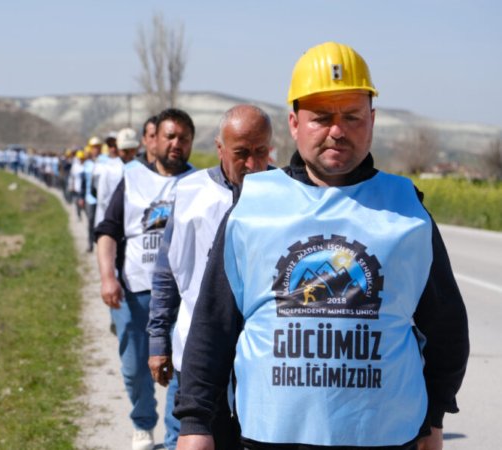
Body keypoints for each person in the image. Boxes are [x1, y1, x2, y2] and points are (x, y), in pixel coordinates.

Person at [175, 42, 470, 450]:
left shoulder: (407, 209)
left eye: (351, 116)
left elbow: (446, 327)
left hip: (385, 437)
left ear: (372, 120)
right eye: (322, 118)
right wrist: (195, 422)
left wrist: (435, 416)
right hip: (270, 436)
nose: (337, 130)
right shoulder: (253, 206)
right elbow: (213, 323)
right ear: (295, 124)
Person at [148, 105, 273, 450]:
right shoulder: (190, 194)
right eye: (241, 154)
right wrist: (159, 341)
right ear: (220, 148)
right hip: (198, 358)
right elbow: (167, 275)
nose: (252, 164)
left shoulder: (286, 197)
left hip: (266, 364)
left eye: (261, 152)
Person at [95, 108, 196, 450]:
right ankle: (142, 422)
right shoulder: (132, 177)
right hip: (136, 292)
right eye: (170, 136)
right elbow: (107, 230)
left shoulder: (199, 184)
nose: (176, 144)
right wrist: (108, 277)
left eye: (183, 138)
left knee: (180, 367)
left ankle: (171, 440)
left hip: (181, 296)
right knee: (135, 367)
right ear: (155, 139)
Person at [95, 127, 141, 228]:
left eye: (131, 150)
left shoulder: (141, 168)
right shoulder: (108, 168)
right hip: (112, 221)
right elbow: (102, 198)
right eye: (125, 150)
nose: (128, 153)